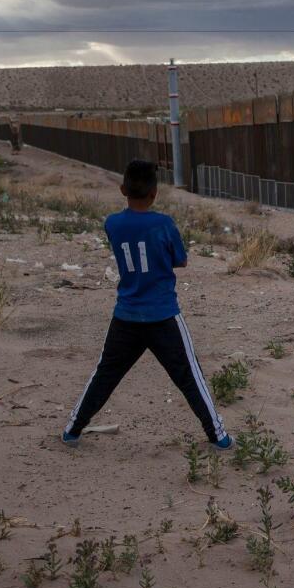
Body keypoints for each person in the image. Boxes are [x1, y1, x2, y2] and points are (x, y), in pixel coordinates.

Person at [63, 160, 232, 450]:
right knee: (190, 377)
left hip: (126, 315)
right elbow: (180, 259)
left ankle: (73, 429)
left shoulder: (112, 223)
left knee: (105, 374)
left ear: (122, 190)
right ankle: (218, 436)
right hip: (163, 315)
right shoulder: (163, 224)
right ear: (155, 193)